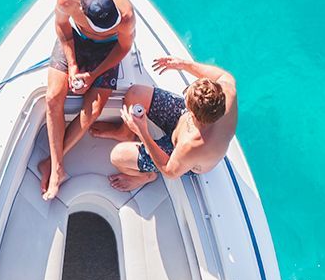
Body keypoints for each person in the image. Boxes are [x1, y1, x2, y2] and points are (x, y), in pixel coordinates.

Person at [39, 0, 136, 201]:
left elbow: (123, 48)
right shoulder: (66, 0)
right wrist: (73, 66)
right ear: (82, 9)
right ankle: (57, 169)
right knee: (53, 97)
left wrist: (93, 75)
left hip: (108, 50)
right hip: (76, 41)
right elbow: (62, 28)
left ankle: (53, 164)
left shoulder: (126, 15)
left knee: (93, 109)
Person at [91, 55, 238, 194]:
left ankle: (146, 177)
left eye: (186, 95)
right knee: (135, 93)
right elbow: (222, 76)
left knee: (118, 156)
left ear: (193, 113)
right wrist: (184, 64)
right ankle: (125, 133)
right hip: (183, 122)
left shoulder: (193, 144)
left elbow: (169, 170)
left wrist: (142, 132)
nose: (185, 93)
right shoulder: (227, 91)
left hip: (179, 157)